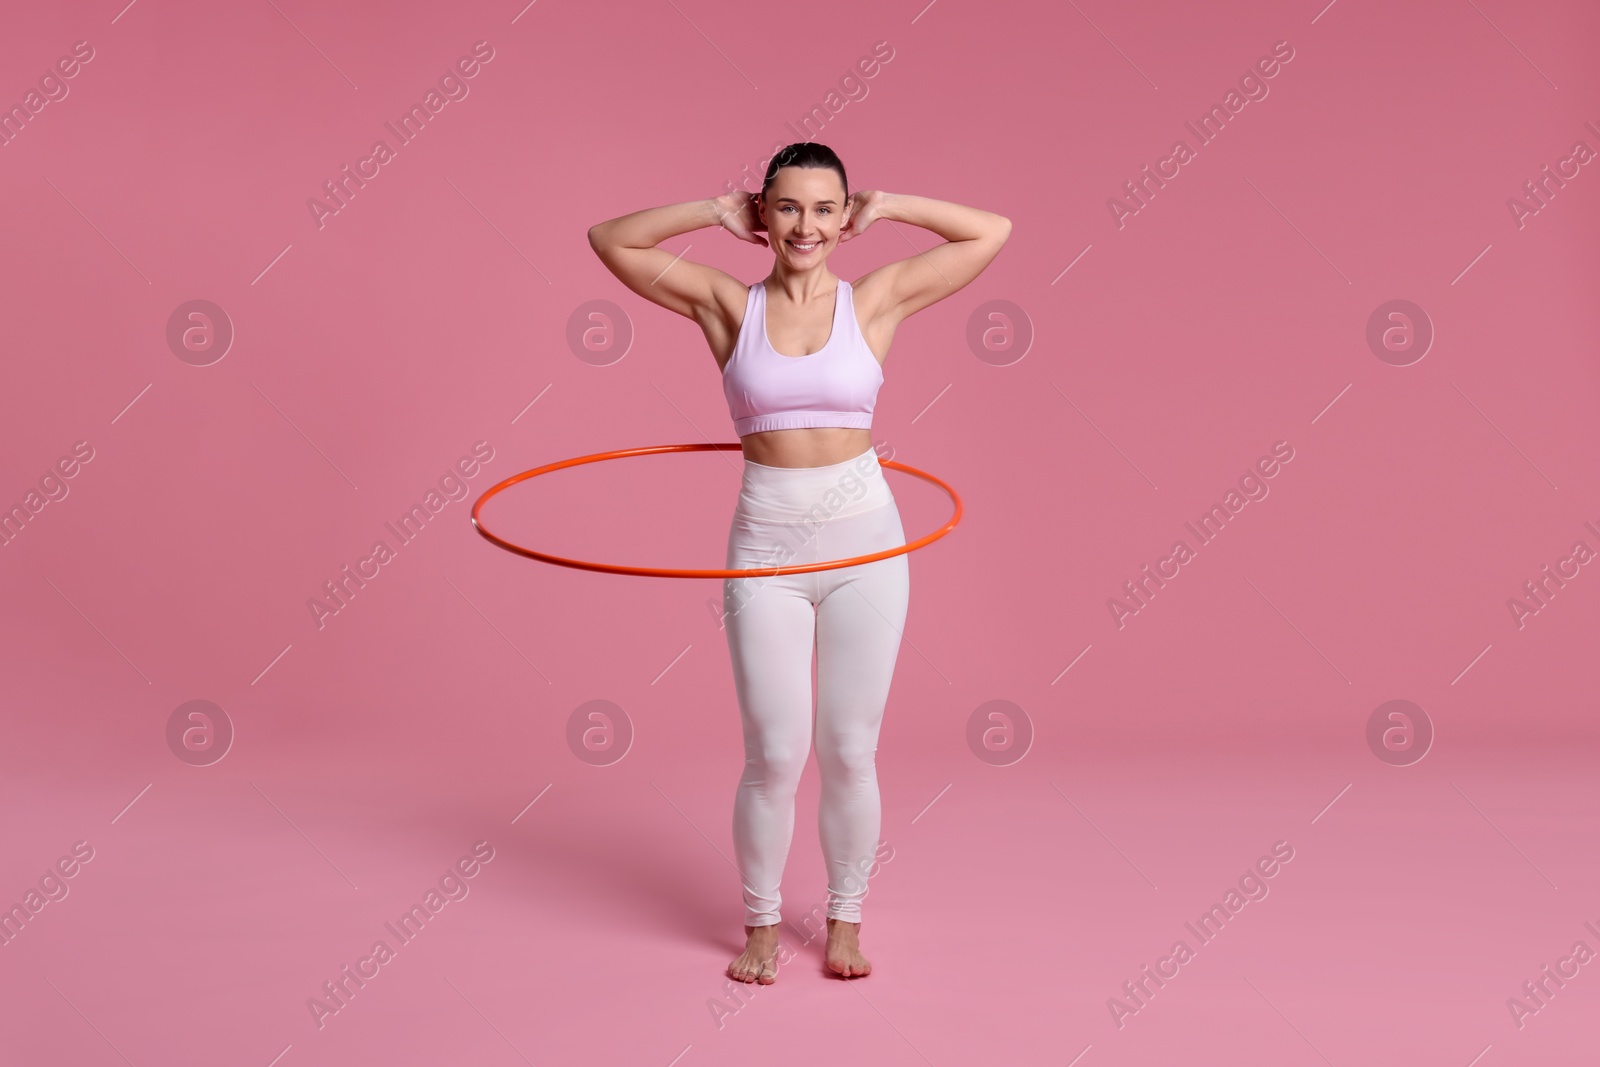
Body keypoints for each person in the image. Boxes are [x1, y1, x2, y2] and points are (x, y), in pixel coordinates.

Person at [587, 143, 1010, 982]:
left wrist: (889, 205)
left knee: (850, 747)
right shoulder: (723, 304)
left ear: (843, 218)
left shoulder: (876, 300)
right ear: (763, 216)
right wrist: (711, 212)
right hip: (766, 550)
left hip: (866, 544)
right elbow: (610, 239)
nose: (805, 226)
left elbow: (990, 233)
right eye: (787, 208)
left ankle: (846, 919)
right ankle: (762, 925)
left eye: (825, 209)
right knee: (774, 753)